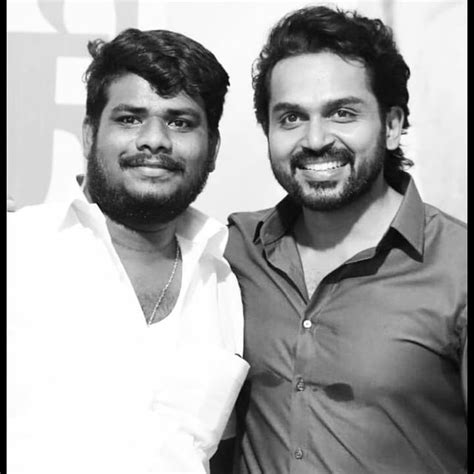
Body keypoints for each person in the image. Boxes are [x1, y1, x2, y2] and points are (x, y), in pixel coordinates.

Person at [225, 5, 467, 473]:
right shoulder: (235, 251)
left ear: (392, 126)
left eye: (342, 113)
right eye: (291, 118)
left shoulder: (458, 266)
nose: (316, 139)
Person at [7, 28, 249, 473]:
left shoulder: (222, 282)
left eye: (180, 122)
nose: (154, 139)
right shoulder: (18, 248)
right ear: (89, 135)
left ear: (213, 148)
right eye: (130, 118)